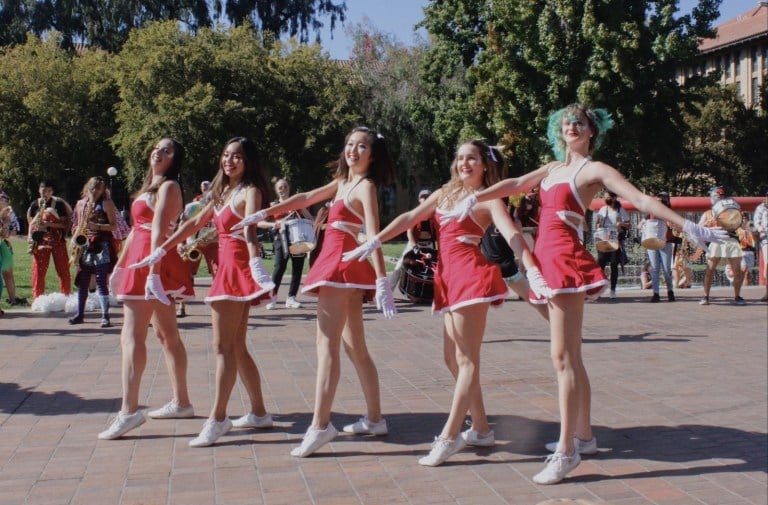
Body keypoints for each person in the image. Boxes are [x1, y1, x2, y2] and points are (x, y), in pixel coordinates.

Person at [439, 103, 727, 484]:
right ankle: (585, 437)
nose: (571, 126)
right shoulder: (552, 168)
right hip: (545, 260)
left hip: (566, 261)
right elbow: (512, 185)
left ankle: (568, 450)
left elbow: (640, 200)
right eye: (565, 122)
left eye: (579, 122)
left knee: (562, 357)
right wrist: (472, 197)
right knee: (570, 355)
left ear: (592, 131)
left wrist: (688, 227)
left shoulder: (594, 169)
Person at [343, 139, 551, 466]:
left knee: (467, 360)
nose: (464, 163)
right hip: (447, 278)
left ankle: (449, 437)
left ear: (484, 165)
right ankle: (481, 429)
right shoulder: (447, 192)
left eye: (472, 159)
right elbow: (411, 216)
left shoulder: (489, 196)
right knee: (451, 359)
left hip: (471, 275)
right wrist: (376, 240)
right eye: (460, 158)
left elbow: (510, 232)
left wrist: (532, 267)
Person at [234, 126, 397, 457]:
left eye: (361, 146)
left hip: (341, 266)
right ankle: (376, 419)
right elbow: (305, 198)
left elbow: (374, 233)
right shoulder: (343, 183)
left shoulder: (364, 186)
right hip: (339, 265)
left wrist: (382, 279)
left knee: (327, 347)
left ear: (372, 154)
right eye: (349, 144)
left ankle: (320, 426)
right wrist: (266, 212)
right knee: (355, 349)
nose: (353, 150)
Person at [131, 137, 276, 447]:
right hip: (225, 266)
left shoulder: (251, 191)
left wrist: (254, 260)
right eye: (226, 155)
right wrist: (164, 248)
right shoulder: (222, 192)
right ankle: (260, 413)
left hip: (237, 268)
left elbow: (250, 226)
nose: (230, 161)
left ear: (248, 160)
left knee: (223, 347)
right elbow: (196, 221)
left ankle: (218, 418)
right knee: (236, 346)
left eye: (237, 156)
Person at [97, 138, 195, 440]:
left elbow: (157, 231)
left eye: (167, 150)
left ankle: (128, 411)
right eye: (157, 147)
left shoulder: (168, 187)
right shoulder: (147, 188)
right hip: (141, 259)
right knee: (166, 334)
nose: (159, 151)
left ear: (174, 159)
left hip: (152, 262)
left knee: (131, 334)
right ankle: (181, 402)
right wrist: (120, 265)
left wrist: (151, 272)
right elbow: (135, 232)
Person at [480, 197, 549, 319]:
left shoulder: (483, 220)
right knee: (536, 301)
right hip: (505, 270)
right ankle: (563, 329)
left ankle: (563, 329)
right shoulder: (512, 221)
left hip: (496, 270)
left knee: (476, 306)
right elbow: (520, 245)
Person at [68, 177, 118, 327]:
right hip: (84, 245)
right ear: (87, 188)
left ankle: (105, 316)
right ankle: (80, 314)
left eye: (99, 188)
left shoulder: (106, 203)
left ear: (103, 190)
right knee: (83, 281)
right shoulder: (81, 203)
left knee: (101, 280)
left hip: (101, 244)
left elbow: (114, 226)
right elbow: (76, 224)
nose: (95, 191)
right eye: (93, 188)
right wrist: (75, 236)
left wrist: (96, 226)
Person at [259, 179, 313, 310]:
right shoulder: (273, 205)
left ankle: (291, 298)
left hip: (297, 238)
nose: (283, 189)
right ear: (276, 190)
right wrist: (273, 224)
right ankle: (272, 297)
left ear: (289, 188)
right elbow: (260, 223)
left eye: (285, 186)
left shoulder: (297, 204)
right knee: (279, 267)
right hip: (280, 237)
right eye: (280, 187)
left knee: (297, 267)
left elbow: (310, 219)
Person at [698, 186, 745, 306]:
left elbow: (743, 225)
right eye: (715, 196)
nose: (715, 198)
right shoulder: (708, 213)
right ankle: (705, 296)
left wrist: (742, 220)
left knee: (737, 271)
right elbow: (698, 228)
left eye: (718, 196)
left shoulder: (733, 210)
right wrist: (707, 223)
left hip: (731, 239)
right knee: (710, 270)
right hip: (716, 240)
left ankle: (737, 296)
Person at [176, 183, 218, 318]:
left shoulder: (219, 209)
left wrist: (213, 239)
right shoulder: (192, 208)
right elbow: (182, 227)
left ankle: (219, 304)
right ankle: (181, 306)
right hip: (193, 244)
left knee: (218, 272)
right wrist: (180, 244)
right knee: (185, 274)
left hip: (212, 243)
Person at [27, 181, 73, 298]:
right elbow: (31, 224)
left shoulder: (58, 204)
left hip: (58, 241)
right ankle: (37, 299)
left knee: (63, 270)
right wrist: (30, 238)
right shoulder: (34, 204)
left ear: (51, 192)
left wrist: (48, 224)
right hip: (40, 241)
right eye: (43, 191)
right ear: (39, 190)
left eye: (48, 191)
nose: (45, 194)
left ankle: (65, 297)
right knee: (38, 272)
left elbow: (65, 224)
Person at [389, 189, 438, 291]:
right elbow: (409, 231)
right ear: (419, 199)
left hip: (429, 244)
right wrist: (413, 245)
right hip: (415, 243)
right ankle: (389, 290)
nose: (425, 199)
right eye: (423, 197)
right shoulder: (416, 213)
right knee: (400, 265)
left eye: (427, 197)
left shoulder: (435, 214)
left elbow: (439, 232)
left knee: (432, 268)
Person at [637, 191, 676, 302]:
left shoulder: (669, 213)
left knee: (666, 269)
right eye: (658, 199)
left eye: (662, 199)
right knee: (654, 269)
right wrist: (643, 227)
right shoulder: (651, 213)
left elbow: (677, 226)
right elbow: (639, 225)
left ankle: (670, 291)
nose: (659, 201)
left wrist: (671, 225)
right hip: (652, 242)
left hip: (666, 243)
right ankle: (656, 294)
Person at [595, 190, 630, 299]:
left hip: (615, 239)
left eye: (608, 197)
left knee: (614, 264)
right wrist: (598, 226)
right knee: (600, 264)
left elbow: (629, 225)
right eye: (605, 197)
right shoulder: (602, 209)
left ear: (614, 198)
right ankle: (599, 289)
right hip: (603, 239)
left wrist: (621, 224)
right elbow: (597, 224)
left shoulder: (620, 210)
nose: (606, 199)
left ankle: (613, 290)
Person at [0, 192, 25, 306]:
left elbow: (15, 231)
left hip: (4, 245)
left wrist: (7, 231)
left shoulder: (9, 212)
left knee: (8, 273)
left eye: (4, 201)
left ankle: (13, 300)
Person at [735, 213, 757, 287]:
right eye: (742, 218)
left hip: (750, 252)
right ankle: (740, 289)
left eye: (745, 218)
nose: (744, 219)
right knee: (745, 271)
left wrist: (753, 232)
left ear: (747, 219)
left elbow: (756, 240)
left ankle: (745, 288)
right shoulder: (737, 229)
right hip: (741, 252)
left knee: (747, 274)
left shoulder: (751, 228)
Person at [754, 190, 768, 301]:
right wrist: (759, 228)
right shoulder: (761, 208)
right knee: (767, 265)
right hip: (766, 238)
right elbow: (756, 222)